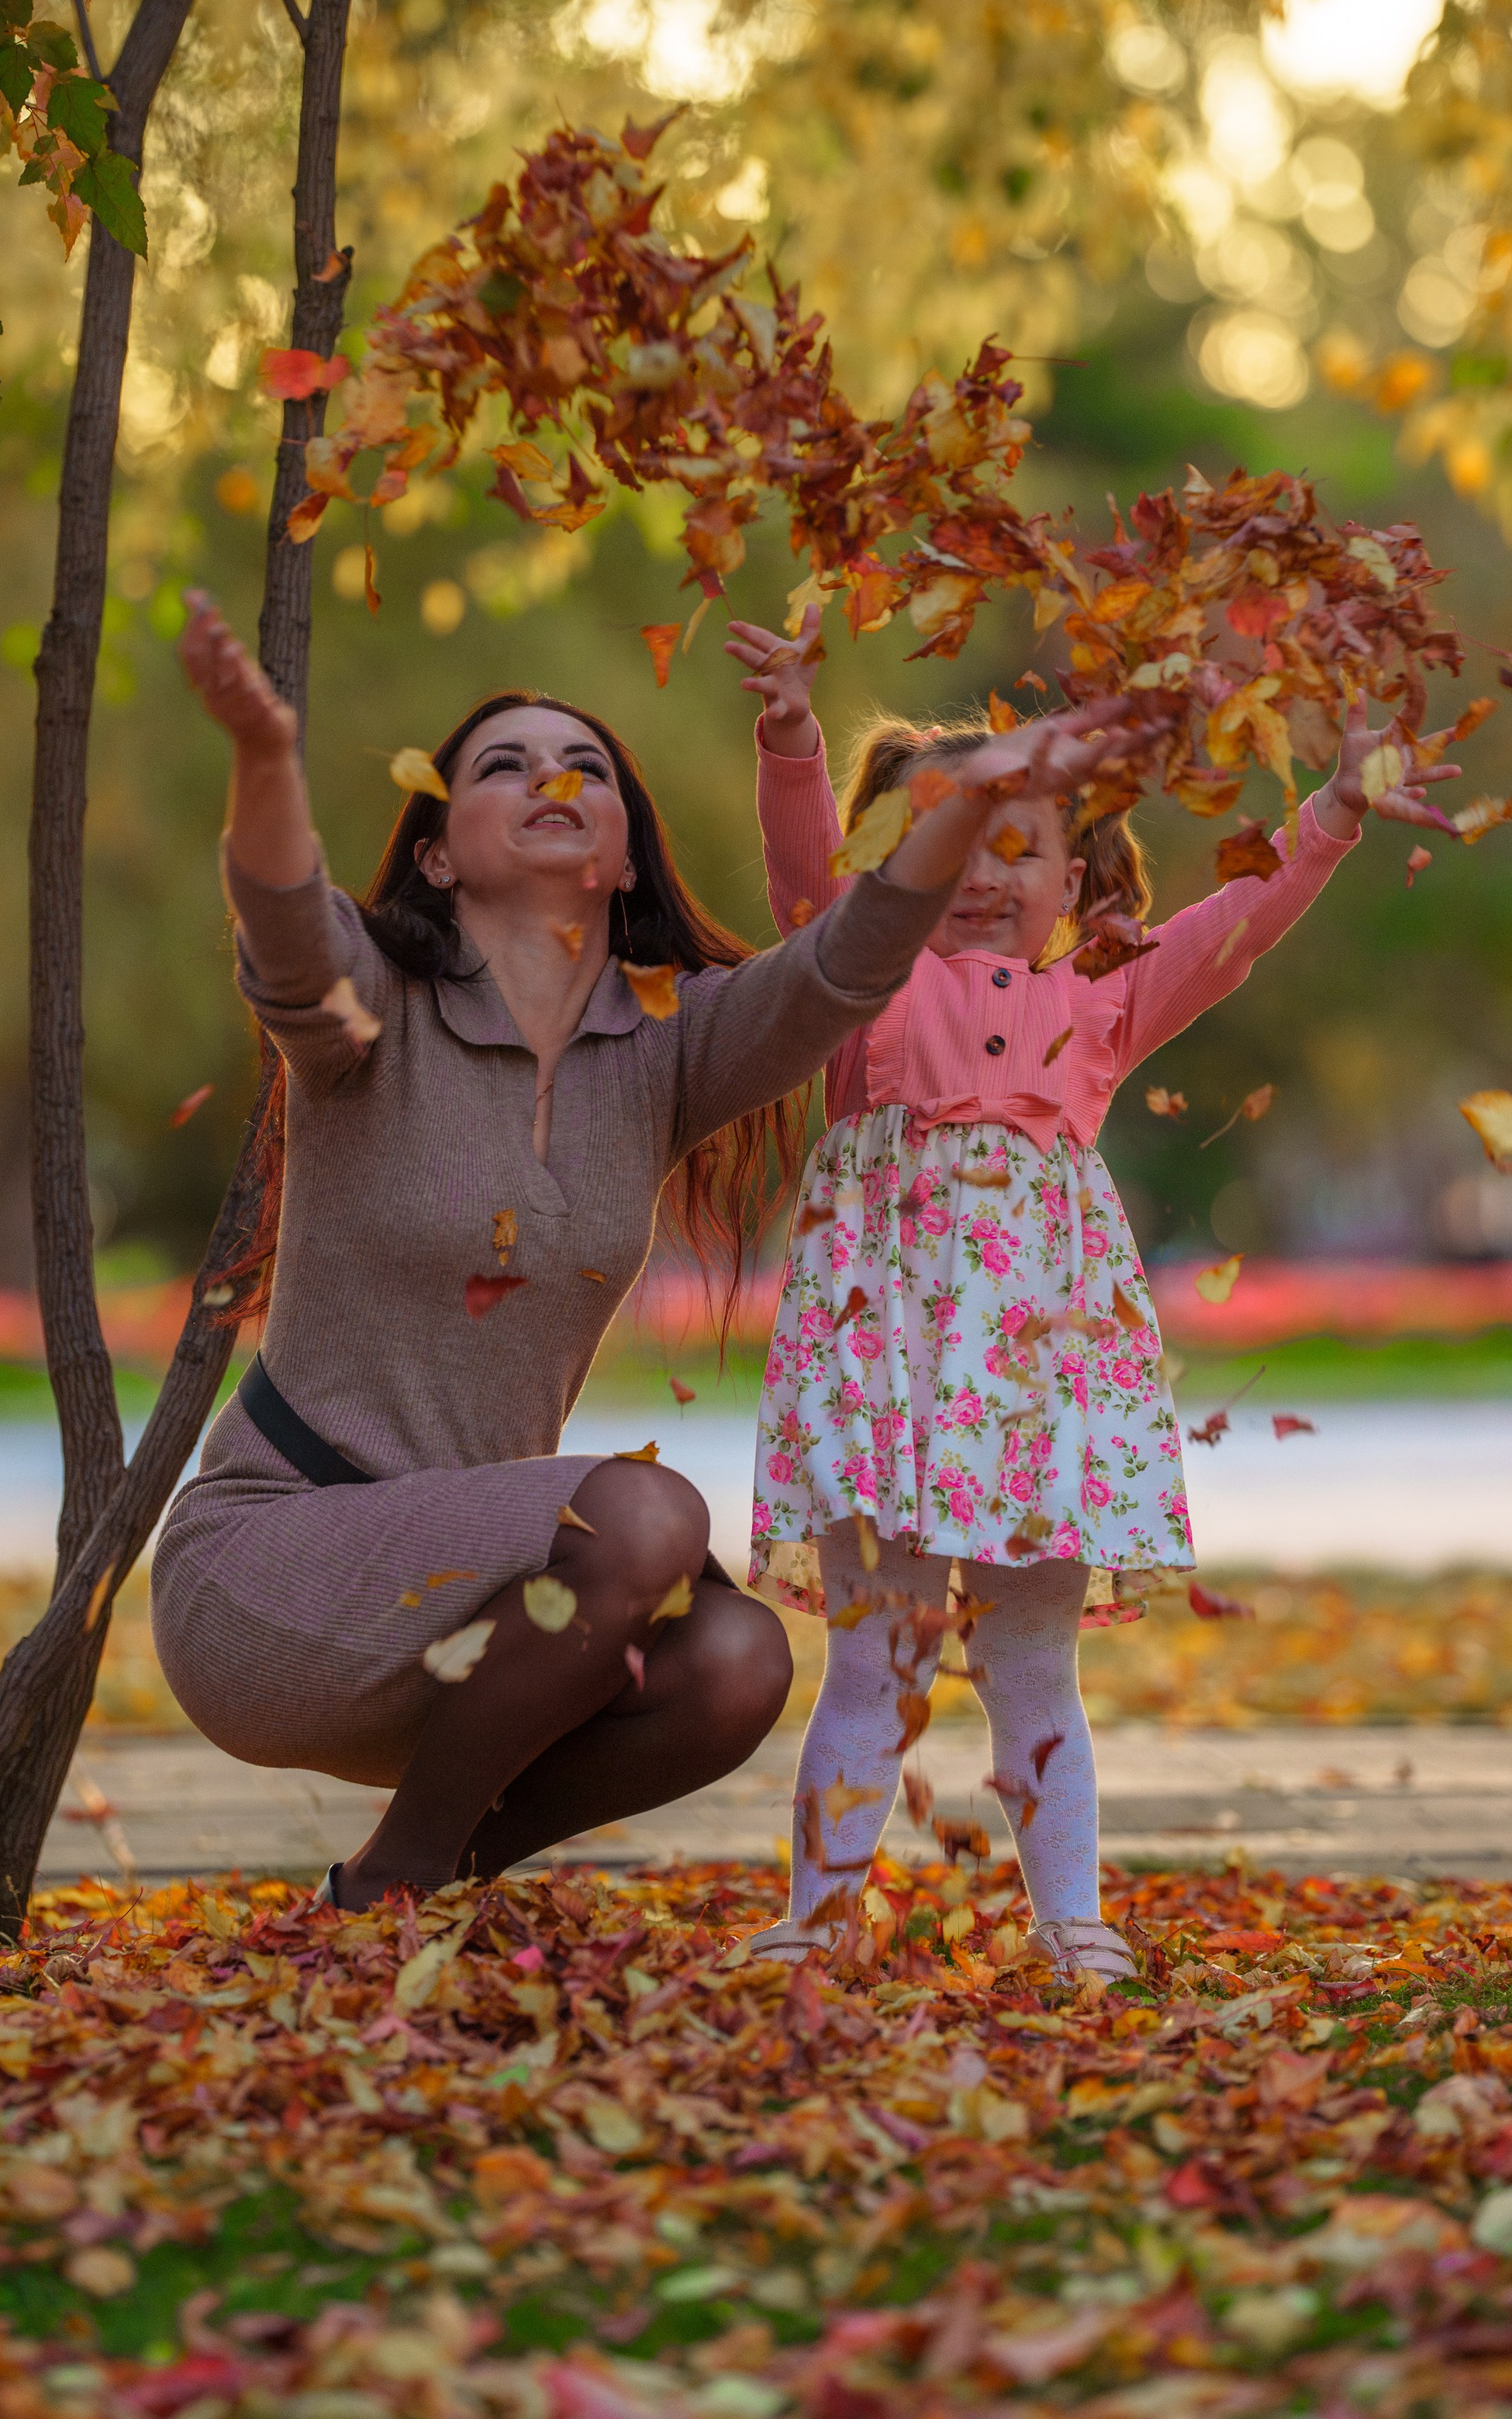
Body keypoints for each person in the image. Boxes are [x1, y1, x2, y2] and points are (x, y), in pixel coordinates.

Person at [150, 593, 1149, 1911]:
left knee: (737, 1663)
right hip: (274, 1573)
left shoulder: (666, 1046)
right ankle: (399, 1883)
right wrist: (263, 755)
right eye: (503, 766)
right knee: (650, 1516)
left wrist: (971, 798)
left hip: (488, 1618)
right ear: (438, 855)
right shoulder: (372, 1011)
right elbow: (284, 922)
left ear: (626, 860)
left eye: (586, 766)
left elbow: (851, 960)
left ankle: (406, 1888)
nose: (551, 778)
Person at [727, 604, 1458, 1979]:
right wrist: (791, 737)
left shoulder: (1106, 1000)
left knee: (1030, 1666)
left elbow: (1235, 930)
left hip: (1037, 1383)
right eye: (942, 845)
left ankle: (1073, 1920)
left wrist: (1334, 817)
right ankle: (817, 1922)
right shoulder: (863, 983)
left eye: (1018, 847)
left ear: (1079, 875)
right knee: (874, 1664)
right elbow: (805, 880)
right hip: (883, 1370)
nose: (981, 875)